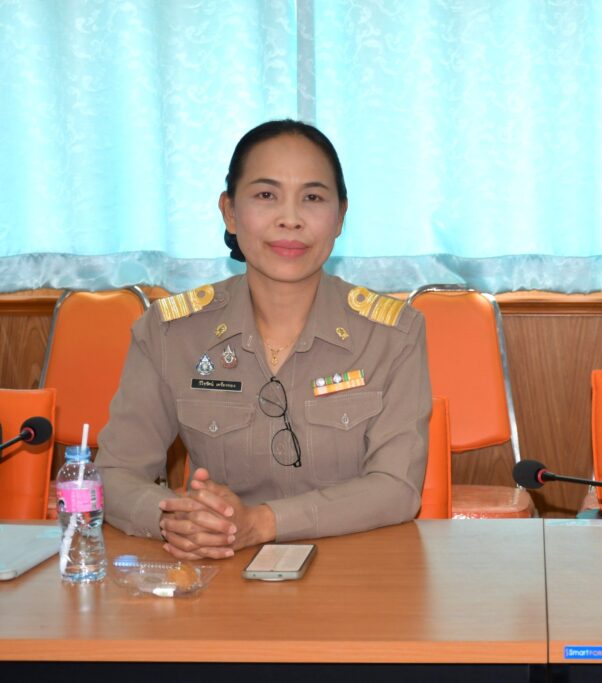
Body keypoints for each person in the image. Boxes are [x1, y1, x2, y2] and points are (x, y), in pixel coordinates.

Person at [97, 120, 431, 559]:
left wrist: (262, 523)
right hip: (218, 568)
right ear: (230, 212)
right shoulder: (169, 333)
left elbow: (396, 488)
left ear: (340, 217)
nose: (290, 219)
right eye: (266, 195)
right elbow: (114, 473)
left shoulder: (392, 334)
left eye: (312, 198)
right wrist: (174, 518)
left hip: (354, 569)